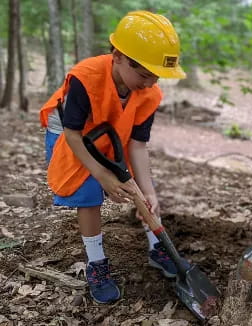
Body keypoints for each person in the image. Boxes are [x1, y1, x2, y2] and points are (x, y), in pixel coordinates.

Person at [39, 11, 189, 304]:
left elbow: (137, 146)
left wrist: (147, 190)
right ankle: (96, 263)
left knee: (143, 189)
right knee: (89, 191)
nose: (149, 83)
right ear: (118, 55)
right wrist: (102, 175)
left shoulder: (147, 93)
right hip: (73, 131)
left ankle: (158, 248)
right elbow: (73, 134)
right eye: (144, 74)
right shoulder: (86, 77)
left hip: (112, 128)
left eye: (156, 76)